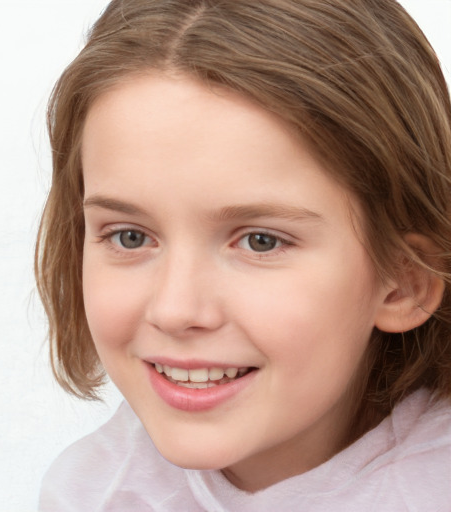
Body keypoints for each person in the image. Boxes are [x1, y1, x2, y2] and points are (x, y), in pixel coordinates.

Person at [36, 0, 451, 509]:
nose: (175, 310)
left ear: (403, 279)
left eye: (261, 241)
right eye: (130, 236)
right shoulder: (92, 492)